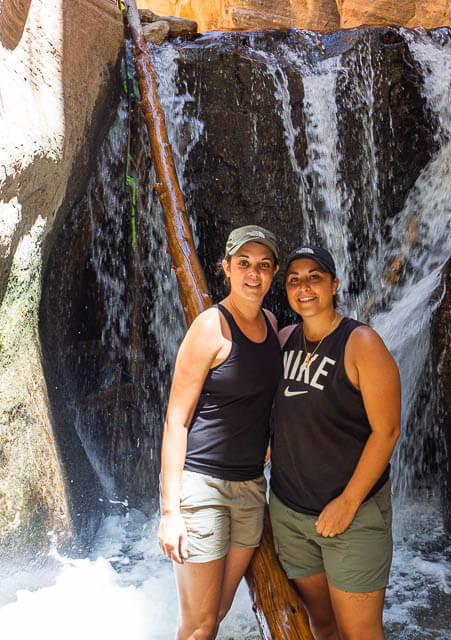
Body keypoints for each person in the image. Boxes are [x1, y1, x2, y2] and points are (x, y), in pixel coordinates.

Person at [269, 244, 401, 640]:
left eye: (314, 277)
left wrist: (347, 503)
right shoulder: (285, 338)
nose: (304, 286)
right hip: (290, 515)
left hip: (351, 516)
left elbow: (388, 430)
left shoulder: (361, 343)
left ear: (334, 284)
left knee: (359, 631)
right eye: (294, 280)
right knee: (321, 626)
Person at [157, 225, 281, 640]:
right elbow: (176, 419)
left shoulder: (271, 324)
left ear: (274, 272)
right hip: (203, 490)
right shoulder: (210, 328)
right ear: (225, 268)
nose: (253, 274)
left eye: (263, 266)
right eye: (243, 263)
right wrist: (171, 512)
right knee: (199, 626)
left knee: (218, 612)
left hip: (249, 492)